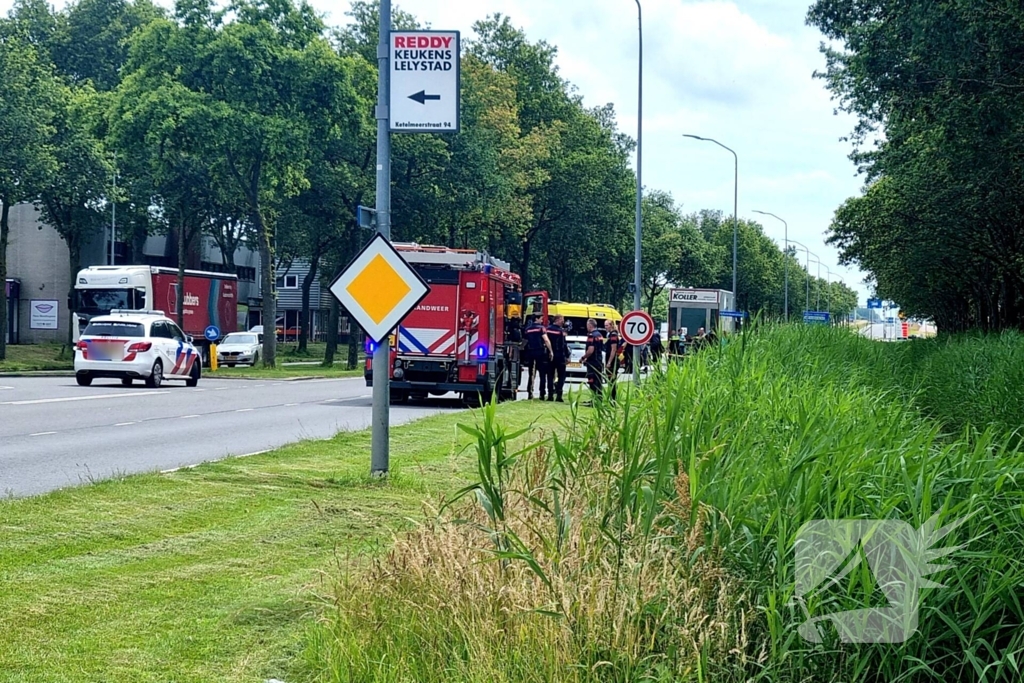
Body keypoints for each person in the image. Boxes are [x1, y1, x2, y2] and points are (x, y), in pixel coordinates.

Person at [523, 315, 552, 399]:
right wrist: (550, 350)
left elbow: (525, 341)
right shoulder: (541, 328)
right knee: (542, 373)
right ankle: (542, 393)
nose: (542, 320)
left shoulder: (528, 329)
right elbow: (546, 340)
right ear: (536, 319)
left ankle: (530, 392)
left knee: (531, 373)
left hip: (530, 352)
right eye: (541, 318)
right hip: (540, 352)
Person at [544, 315, 570, 402]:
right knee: (561, 375)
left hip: (549, 356)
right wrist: (567, 356)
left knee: (550, 376)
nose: (563, 322)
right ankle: (559, 395)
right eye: (562, 320)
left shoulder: (547, 329)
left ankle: (550, 395)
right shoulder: (560, 331)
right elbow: (563, 345)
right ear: (557, 320)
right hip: (560, 356)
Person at [579, 318, 604, 401]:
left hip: (593, 362)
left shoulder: (591, 336)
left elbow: (590, 350)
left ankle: (594, 399)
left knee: (592, 381)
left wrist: (583, 357)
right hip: (599, 361)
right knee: (598, 381)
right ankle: (599, 398)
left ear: (589, 325)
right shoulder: (599, 335)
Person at [605, 319, 621, 400]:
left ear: (611, 325)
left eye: (607, 325)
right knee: (610, 381)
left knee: (612, 381)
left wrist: (609, 362)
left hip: (613, 361)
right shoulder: (611, 334)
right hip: (611, 361)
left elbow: (613, 350)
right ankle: (611, 398)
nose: (605, 327)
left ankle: (613, 399)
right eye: (605, 325)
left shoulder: (613, 335)